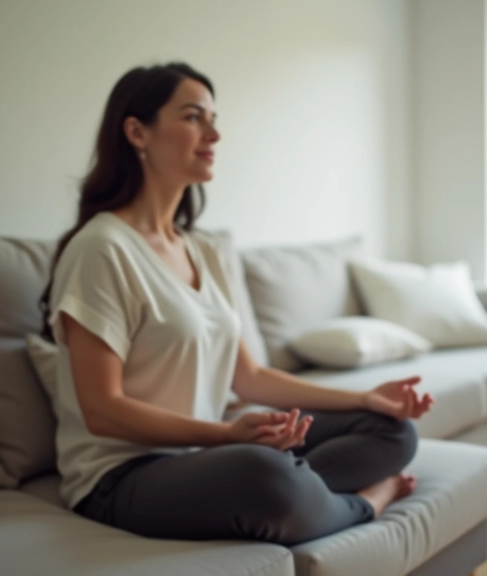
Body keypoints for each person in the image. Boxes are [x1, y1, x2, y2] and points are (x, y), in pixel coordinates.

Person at [38, 62, 435, 546]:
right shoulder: (101, 249)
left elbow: (248, 377)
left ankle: (302, 496)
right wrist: (226, 436)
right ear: (137, 132)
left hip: (202, 461)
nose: (214, 134)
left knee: (392, 431)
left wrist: (365, 397)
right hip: (121, 477)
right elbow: (103, 409)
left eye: (213, 118)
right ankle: (369, 500)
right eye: (193, 117)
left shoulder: (201, 249)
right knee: (261, 472)